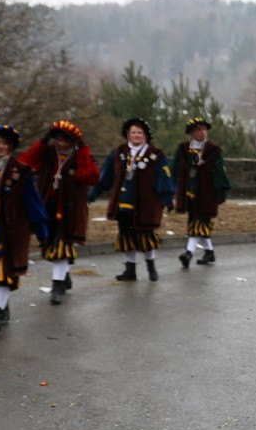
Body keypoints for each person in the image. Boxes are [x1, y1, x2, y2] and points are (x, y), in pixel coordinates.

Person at [0, 124, 48, 336]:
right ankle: (2, 306)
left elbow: (34, 205)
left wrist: (42, 233)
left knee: (2, 272)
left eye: (4, 143)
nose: (0, 146)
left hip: (11, 231)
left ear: (10, 146)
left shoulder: (20, 171)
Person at [18, 120, 99, 304]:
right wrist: (42, 142)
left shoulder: (80, 156)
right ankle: (64, 276)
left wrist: (84, 150)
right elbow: (26, 162)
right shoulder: (48, 154)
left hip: (71, 208)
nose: (62, 144)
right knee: (50, 246)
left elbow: (88, 176)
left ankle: (57, 285)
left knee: (62, 245)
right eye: (58, 140)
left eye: (66, 141)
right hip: (48, 205)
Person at [91, 118, 174, 282]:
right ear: (128, 134)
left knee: (146, 237)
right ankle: (130, 270)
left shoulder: (156, 155)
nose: (136, 135)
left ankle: (151, 267)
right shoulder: (119, 153)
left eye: (139, 132)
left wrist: (167, 198)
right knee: (127, 235)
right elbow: (106, 176)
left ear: (146, 135)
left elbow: (164, 177)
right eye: (133, 132)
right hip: (124, 202)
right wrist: (94, 192)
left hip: (146, 203)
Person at [172, 117, 232, 268]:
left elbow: (219, 172)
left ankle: (188, 253)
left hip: (207, 195)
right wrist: (168, 189)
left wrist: (221, 191)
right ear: (191, 132)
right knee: (197, 223)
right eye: (198, 129)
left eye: (204, 129)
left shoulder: (213, 150)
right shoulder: (183, 149)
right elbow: (173, 170)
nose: (202, 132)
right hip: (190, 195)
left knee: (199, 223)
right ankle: (209, 252)